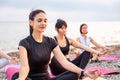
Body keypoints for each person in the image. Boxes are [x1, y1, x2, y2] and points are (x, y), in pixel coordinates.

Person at [14, 9, 102, 80]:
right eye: (39, 21)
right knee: (16, 76)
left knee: (74, 74)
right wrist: (21, 78)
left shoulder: (51, 41)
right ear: (31, 22)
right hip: (30, 78)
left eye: (45, 21)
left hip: (47, 79)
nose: (43, 23)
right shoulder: (24, 43)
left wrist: (84, 72)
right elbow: (24, 67)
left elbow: (64, 62)